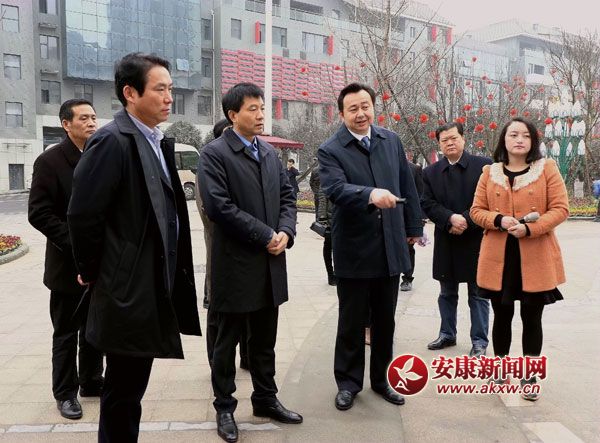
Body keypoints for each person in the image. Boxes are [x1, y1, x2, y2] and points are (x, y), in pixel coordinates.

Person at [67, 53, 202, 442]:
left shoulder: (153, 139)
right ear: (130, 93)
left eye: (170, 88)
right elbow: (82, 215)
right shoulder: (112, 141)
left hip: (147, 284)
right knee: (123, 392)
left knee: (130, 389)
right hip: (126, 289)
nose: (169, 97)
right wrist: (93, 270)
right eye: (160, 89)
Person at [197, 82, 302, 443]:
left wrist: (286, 231)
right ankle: (225, 407)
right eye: (252, 109)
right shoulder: (214, 154)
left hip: (270, 264)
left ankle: (265, 398)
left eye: (262, 108)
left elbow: (287, 196)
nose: (260, 115)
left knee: (264, 340)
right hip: (235, 264)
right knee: (226, 343)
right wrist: (265, 235)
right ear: (233, 115)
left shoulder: (269, 152)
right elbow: (219, 207)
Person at [318, 82, 423, 411]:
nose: (361, 113)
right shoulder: (331, 149)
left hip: (390, 245)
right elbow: (335, 189)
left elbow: (407, 185)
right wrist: (370, 195)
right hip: (354, 248)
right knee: (351, 322)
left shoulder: (390, 140)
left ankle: (381, 379)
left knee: (384, 321)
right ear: (342, 114)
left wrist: (413, 228)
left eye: (366, 106)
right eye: (353, 109)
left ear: (373, 107)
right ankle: (348, 383)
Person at [470, 117, 568, 400]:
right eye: (513, 134)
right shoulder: (489, 172)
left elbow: (561, 208)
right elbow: (476, 210)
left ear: (533, 141)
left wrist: (530, 228)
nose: (519, 140)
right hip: (499, 257)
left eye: (525, 135)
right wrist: (498, 220)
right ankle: (500, 369)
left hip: (535, 255)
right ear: (504, 139)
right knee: (501, 316)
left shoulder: (546, 169)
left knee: (532, 317)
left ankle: (529, 374)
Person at [28, 99, 104, 420]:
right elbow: (39, 213)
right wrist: (76, 245)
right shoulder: (50, 161)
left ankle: (92, 381)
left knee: (94, 329)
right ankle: (65, 393)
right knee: (66, 332)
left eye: (93, 117)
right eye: (83, 118)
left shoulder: (99, 157)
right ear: (65, 124)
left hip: (98, 263)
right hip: (66, 265)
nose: (91, 123)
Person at [421, 122, 492, 357]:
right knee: (446, 292)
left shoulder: (484, 166)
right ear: (439, 144)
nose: (450, 143)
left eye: (454, 138)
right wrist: (449, 218)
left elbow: (490, 200)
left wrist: (465, 220)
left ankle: (479, 341)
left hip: (476, 239)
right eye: (444, 140)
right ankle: (447, 334)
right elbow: (427, 202)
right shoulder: (431, 172)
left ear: (463, 138)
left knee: (478, 294)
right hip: (447, 239)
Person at [195, 118, 249, 370]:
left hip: (248, 250)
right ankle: (216, 362)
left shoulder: (247, 161)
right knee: (218, 310)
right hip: (221, 249)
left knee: (249, 308)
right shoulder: (209, 165)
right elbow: (209, 212)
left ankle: (247, 358)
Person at [400, 158, 425, 292]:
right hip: (388, 214)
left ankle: (407, 278)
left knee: (408, 248)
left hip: (407, 215)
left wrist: (420, 220)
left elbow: (420, 196)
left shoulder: (414, 169)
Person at [315, 168, 336, 286]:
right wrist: (322, 218)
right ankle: (330, 274)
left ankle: (338, 272)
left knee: (340, 248)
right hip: (330, 218)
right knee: (329, 245)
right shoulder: (327, 174)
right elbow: (322, 198)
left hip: (342, 217)